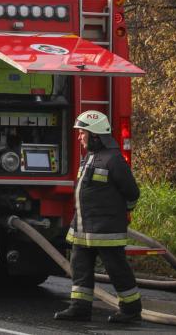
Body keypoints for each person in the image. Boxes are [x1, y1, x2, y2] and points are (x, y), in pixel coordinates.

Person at [54, 110, 141, 323]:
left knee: (116, 269)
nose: (79, 137)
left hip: (105, 231)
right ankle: (80, 308)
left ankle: (131, 309)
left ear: (95, 135)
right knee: (80, 269)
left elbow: (132, 192)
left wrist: (120, 214)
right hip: (84, 230)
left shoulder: (114, 160)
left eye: (82, 132)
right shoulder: (90, 158)